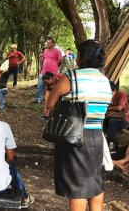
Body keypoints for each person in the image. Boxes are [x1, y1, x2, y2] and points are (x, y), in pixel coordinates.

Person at [45, 40, 112, 211]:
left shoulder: (72, 77)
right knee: (95, 181)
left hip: (75, 137)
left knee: (78, 188)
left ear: (81, 57)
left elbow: (51, 104)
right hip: (97, 137)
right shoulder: (105, 81)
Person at [103, 81, 129, 150]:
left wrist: (108, 108)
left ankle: (112, 144)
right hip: (109, 117)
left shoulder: (122, 95)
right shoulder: (106, 96)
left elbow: (119, 108)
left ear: (115, 90)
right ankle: (103, 141)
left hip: (123, 120)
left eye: (110, 93)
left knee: (112, 122)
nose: (108, 95)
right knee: (103, 120)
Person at [34, 37, 62, 104]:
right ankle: (38, 100)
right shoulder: (45, 50)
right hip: (44, 72)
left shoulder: (57, 51)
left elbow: (61, 60)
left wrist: (56, 66)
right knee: (40, 86)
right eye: (47, 43)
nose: (48, 44)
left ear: (53, 44)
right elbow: (43, 60)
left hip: (53, 73)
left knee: (54, 87)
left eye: (49, 43)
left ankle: (53, 101)